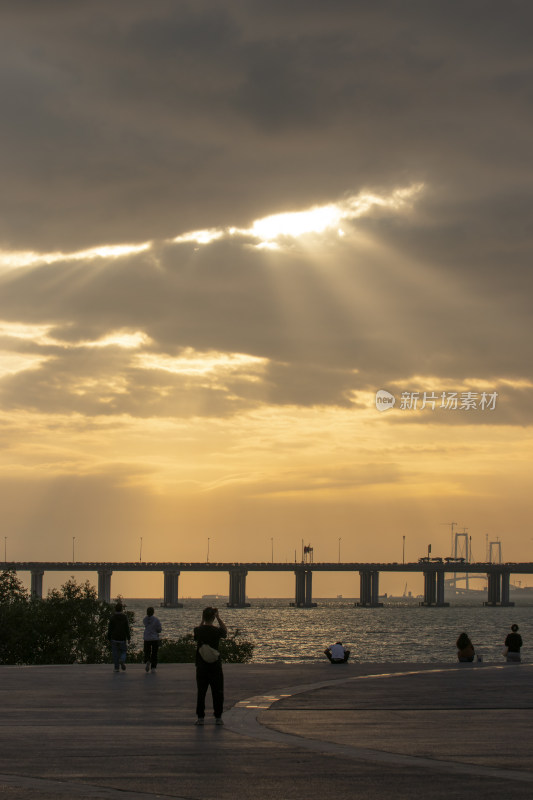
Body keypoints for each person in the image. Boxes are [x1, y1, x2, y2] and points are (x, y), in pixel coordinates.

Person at [193, 606, 227, 725]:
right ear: (213, 617)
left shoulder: (198, 630)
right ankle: (218, 717)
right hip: (215, 666)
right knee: (217, 692)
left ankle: (200, 718)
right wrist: (218, 618)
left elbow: (197, 632)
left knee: (201, 692)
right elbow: (224, 631)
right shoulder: (216, 631)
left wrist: (202, 620)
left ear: (203, 617)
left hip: (201, 666)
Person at [107, 602, 131, 672]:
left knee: (115, 653)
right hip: (122, 638)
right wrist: (128, 637)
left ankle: (116, 668)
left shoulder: (112, 618)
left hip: (114, 638)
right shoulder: (124, 617)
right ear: (121, 609)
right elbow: (127, 628)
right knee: (123, 651)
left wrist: (109, 637)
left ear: (115, 609)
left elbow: (110, 629)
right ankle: (122, 660)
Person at [143, 606, 162, 672]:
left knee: (147, 651)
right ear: (153, 612)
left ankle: (147, 660)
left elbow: (146, 625)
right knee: (154, 653)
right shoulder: (156, 620)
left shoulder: (145, 619)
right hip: (154, 638)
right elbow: (159, 629)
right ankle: (153, 667)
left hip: (147, 638)